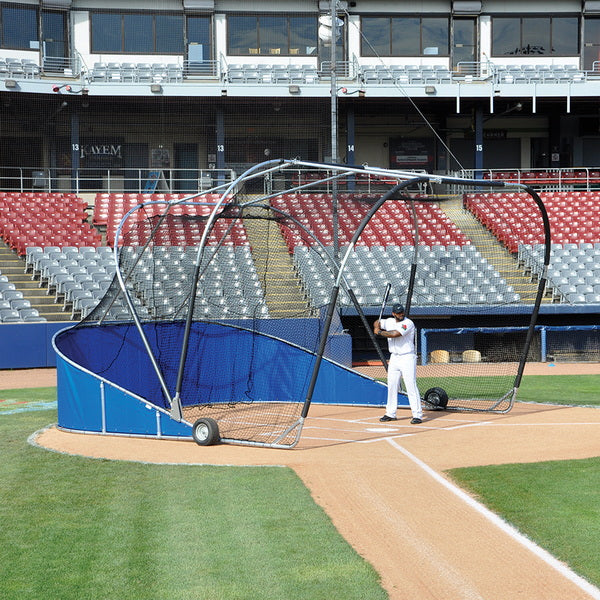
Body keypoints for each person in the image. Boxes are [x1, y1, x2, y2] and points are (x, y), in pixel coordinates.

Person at [373, 303, 423, 424]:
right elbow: (377, 322)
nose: (401, 314)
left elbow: (394, 334)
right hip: (394, 357)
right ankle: (390, 413)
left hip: (407, 357)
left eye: (402, 312)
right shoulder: (389, 321)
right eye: (398, 313)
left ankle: (417, 415)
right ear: (393, 313)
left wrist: (379, 333)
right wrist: (377, 326)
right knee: (392, 385)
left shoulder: (408, 323)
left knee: (410, 385)